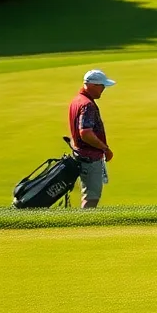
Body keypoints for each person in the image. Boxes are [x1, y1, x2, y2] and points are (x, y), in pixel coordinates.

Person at [68, 70, 116, 209]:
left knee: (89, 194)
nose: (103, 89)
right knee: (91, 196)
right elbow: (86, 133)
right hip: (89, 157)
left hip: (81, 154)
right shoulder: (87, 104)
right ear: (93, 85)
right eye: (102, 86)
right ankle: (84, 227)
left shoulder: (77, 100)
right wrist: (105, 149)